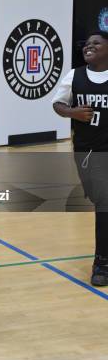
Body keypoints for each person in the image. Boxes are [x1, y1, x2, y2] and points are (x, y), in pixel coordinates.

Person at [53, 31, 108, 287]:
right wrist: (72, 112)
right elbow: (58, 104)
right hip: (86, 151)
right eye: (86, 44)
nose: (89, 47)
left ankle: (102, 262)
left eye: (96, 43)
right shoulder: (75, 75)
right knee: (100, 200)